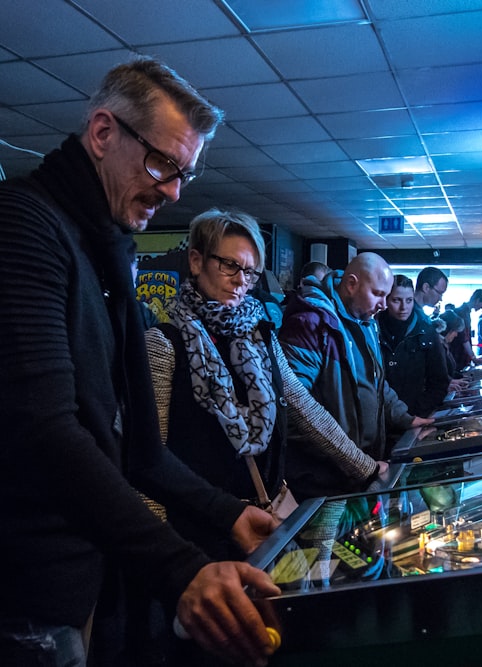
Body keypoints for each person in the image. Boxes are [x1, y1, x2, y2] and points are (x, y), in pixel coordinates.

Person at [0, 56, 279, 666]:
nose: (173, 191)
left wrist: (230, 515)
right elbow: (44, 432)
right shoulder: (22, 222)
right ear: (103, 134)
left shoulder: (107, 249)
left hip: (90, 583)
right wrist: (182, 568)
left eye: (183, 175)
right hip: (27, 596)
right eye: (163, 164)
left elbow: (138, 450)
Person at [145, 209, 381, 561]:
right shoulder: (164, 344)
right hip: (197, 539)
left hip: (264, 524)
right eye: (230, 265)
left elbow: (303, 408)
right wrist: (168, 561)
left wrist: (367, 468)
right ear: (196, 261)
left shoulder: (261, 338)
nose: (241, 280)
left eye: (250, 271)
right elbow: (148, 462)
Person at [279, 253, 433, 496]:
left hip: (362, 470)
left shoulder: (366, 321)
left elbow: (376, 382)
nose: (384, 305)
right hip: (322, 480)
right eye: (378, 294)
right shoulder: (309, 323)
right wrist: (358, 463)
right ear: (351, 284)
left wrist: (406, 418)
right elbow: (294, 409)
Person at [377, 275, 451, 417]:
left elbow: (439, 382)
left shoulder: (427, 331)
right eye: (396, 300)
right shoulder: (372, 328)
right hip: (378, 418)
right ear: (386, 299)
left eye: (409, 300)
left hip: (413, 415)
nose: (404, 307)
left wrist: (416, 412)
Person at [449, 288, 482, 370]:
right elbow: (464, 338)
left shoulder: (464, 312)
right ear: (477, 300)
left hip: (459, 356)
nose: (481, 307)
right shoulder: (462, 313)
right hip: (458, 356)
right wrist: (473, 357)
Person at [435, 309, 468, 393]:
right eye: (455, 331)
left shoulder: (444, 345)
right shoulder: (436, 347)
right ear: (448, 330)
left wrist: (461, 377)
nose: (456, 335)